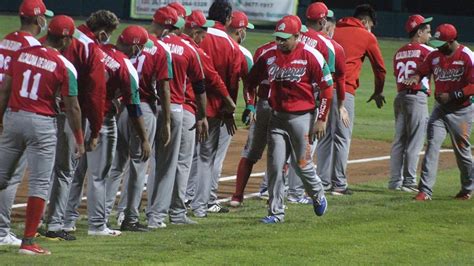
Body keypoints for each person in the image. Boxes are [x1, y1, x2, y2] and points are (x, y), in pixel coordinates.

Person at [0, 15, 83, 255]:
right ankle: (28, 242)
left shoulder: (21, 53)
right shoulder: (64, 65)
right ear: (66, 38)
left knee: (2, 177)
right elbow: (72, 106)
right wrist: (79, 137)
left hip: (13, 117)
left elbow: (5, 88)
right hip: (41, 124)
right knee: (39, 184)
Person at [245, 15, 333, 223]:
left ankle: (318, 193)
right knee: (274, 166)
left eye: (285, 38)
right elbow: (250, 82)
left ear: (297, 36)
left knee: (302, 165)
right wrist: (250, 105)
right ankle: (275, 213)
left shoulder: (311, 56)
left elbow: (327, 90)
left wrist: (321, 119)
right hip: (277, 119)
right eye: (278, 38)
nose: (280, 42)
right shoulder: (268, 56)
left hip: (302, 118)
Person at [146, 6, 207, 228]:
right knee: (174, 163)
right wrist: (202, 115)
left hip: (148, 107)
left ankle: (129, 214)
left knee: (147, 161)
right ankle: (162, 215)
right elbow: (200, 85)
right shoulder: (187, 49)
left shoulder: (148, 43)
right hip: (176, 108)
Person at [107, 26, 173, 231]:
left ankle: (101, 215)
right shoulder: (160, 51)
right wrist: (167, 120)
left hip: (119, 107)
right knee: (139, 164)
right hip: (143, 108)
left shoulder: (113, 53)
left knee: (116, 165)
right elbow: (163, 87)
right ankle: (130, 217)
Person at [59, 10, 118, 235]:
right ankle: (95, 225)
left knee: (67, 171)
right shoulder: (89, 47)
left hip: (51, 108)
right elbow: (95, 93)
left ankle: (64, 219)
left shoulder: (66, 35)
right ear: (102, 32)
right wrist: (96, 127)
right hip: (75, 113)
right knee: (89, 173)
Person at [0, 0, 52, 247]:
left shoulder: (7, 38)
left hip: (5, 107)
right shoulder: (32, 46)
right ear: (38, 19)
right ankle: (1, 231)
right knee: (10, 176)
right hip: (14, 110)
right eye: (44, 18)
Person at [404, 24, 474, 201]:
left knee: (462, 152)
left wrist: (452, 95)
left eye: (441, 43)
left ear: (451, 41)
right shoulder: (434, 56)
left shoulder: (467, 56)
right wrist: (416, 77)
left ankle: (468, 187)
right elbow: (422, 70)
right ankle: (425, 190)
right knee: (432, 145)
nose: (438, 46)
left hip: (462, 111)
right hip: (440, 110)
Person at [189, 0, 241, 218]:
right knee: (205, 158)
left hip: (186, 104)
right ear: (228, 19)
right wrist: (228, 111)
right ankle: (200, 205)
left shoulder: (196, 36)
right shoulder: (231, 45)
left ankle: (180, 198)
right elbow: (232, 81)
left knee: (182, 158)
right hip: (213, 109)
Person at [331, 4, 387, 195]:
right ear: (364, 22)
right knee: (342, 137)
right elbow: (380, 69)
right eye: (370, 25)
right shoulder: (366, 36)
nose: (371, 29)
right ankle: (338, 184)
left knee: (321, 136)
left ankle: (318, 182)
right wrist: (378, 91)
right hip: (343, 92)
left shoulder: (333, 30)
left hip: (321, 89)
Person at [388, 15, 434, 192]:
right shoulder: (427, 51)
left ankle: (394, 182)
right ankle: (408, 182)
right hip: (417, 98)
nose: (430, 36)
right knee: (415, 141)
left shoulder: (399, 52)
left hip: (400, 98)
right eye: (428, 31)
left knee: (399, 141)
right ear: (419, 32)